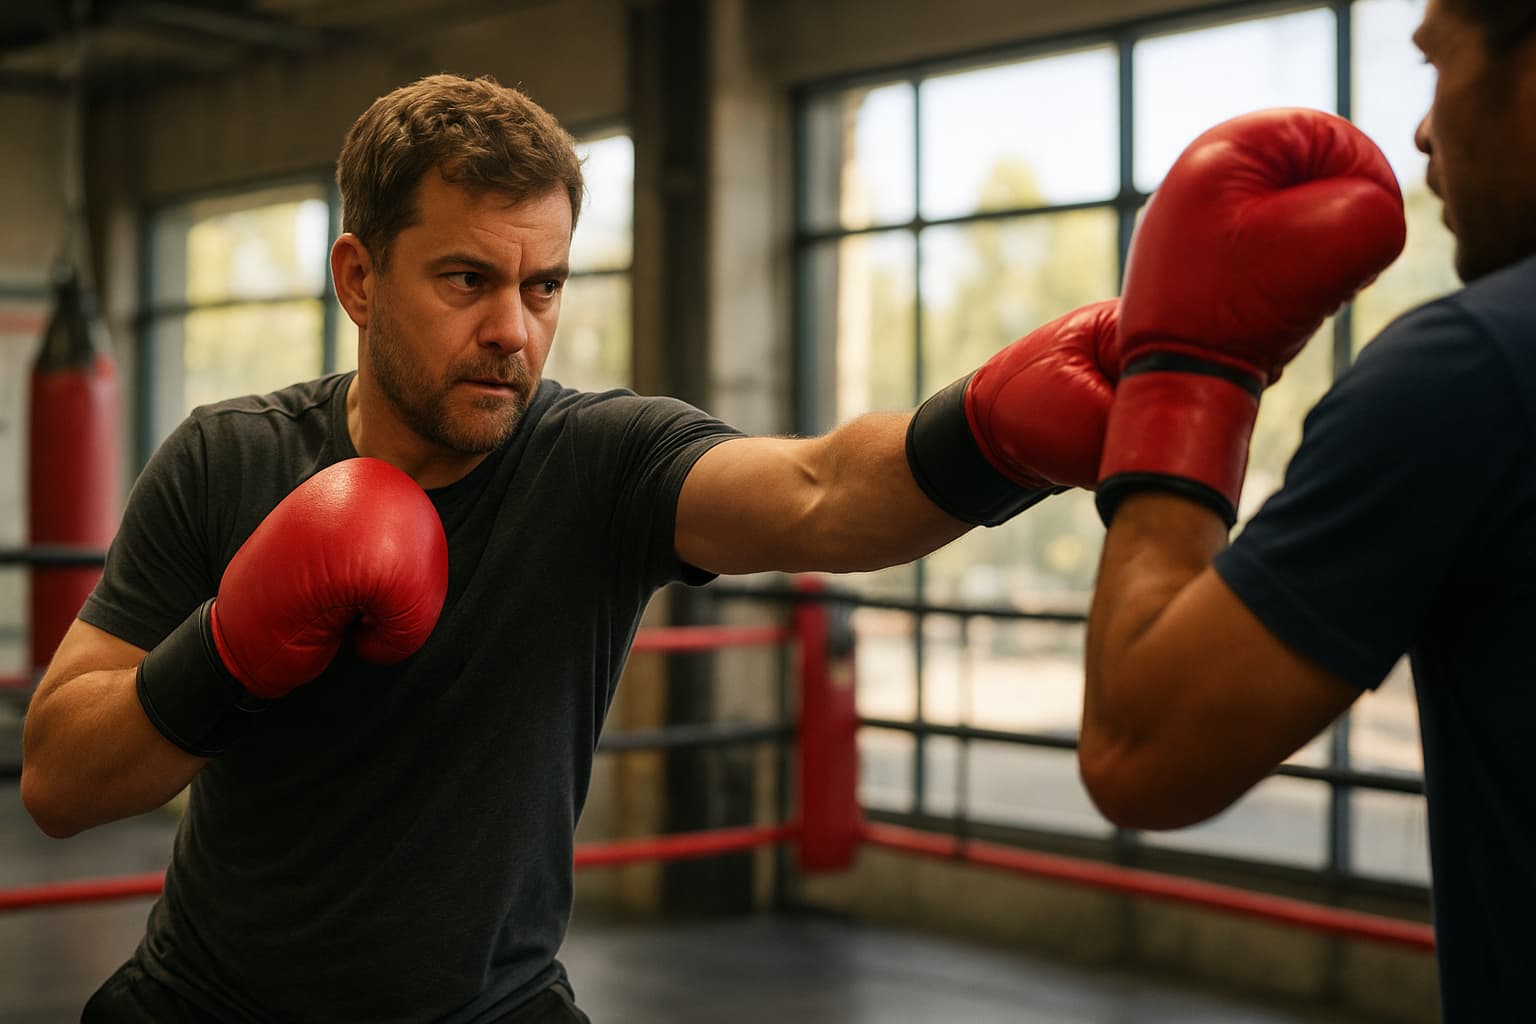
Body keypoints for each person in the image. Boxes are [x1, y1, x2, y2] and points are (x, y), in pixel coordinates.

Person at [18, 73, 1133, 1023]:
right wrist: (235, 644)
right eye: (467, 280)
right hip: (204, 1001)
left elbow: (822, 490)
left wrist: (995, 432)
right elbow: (61, 780)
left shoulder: (600, 463)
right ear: (358, 278)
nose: (513, 327)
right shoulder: (229, 459)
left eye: (542, 285)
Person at [1077, 1, 1536, 1019]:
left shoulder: (1474, 369)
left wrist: (1187, 371)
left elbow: (1139, 747)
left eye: (1437, 64)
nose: (1423, 129)